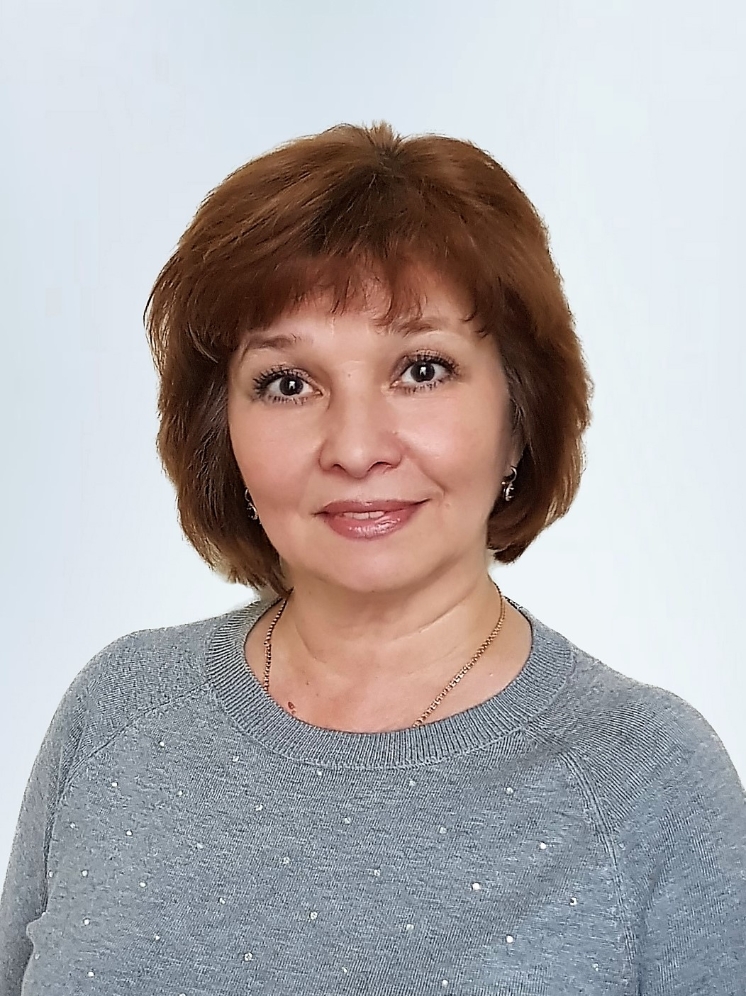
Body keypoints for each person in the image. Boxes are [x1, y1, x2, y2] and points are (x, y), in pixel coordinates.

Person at [1, 122, 744, 995]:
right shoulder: (118, 711)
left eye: (421, 369)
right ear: (222, 433)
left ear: (520, 416)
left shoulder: (648, 782)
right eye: (288, 383)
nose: (355, 448)